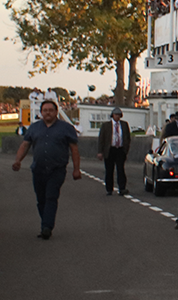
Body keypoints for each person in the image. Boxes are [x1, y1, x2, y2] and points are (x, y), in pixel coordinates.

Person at [13, 98, 82, 239]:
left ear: (56, 112)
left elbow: (74, 149)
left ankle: (47, 227)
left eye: (51, 110)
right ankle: (45, 222)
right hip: (38, 169)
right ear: (41, 113)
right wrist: (18, 161)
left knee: (51, 196)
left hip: (56, 169)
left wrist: (76, 169)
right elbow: (25, 145)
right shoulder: (34, 127)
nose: (48, 113)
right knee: (41, 199)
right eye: (45, 110)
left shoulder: (66, 128)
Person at [97, 106, 131, 196]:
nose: (117, 117)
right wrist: (100, 151)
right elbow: (101, 139)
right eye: (116, 115)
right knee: (109, 170)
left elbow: (127, 137)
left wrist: (125, 149)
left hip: (120, 149)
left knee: (120, 169)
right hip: (110, 150)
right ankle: (109, 189)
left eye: (119, 115)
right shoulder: (106, 126)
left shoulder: (124, 125)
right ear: (112, 115)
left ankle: (122, 188)